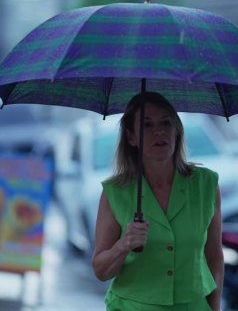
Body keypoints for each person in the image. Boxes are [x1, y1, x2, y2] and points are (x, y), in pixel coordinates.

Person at [92, 91, 224, 311]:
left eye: (166, 122)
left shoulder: (206, 184)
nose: (160, 131)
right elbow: (101, 271)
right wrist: (123, 245)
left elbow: (215, 258)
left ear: (177, 130)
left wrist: (215, 308)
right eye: (147, 125)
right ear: (131, 137)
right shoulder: (115, 192)